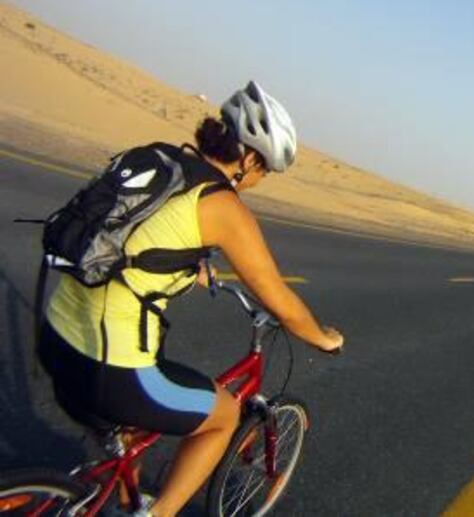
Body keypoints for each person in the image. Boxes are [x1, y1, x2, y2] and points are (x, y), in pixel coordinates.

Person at [37, 80, 344, 517]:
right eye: (265, 171)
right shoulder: (222, 206)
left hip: (55, 338)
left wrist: (186, 267)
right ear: (250, 158)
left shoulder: (160, 159)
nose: (259, 181)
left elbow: (128, 235)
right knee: (223, 418)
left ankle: (123, 502)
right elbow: (281, 301)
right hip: (112, 369)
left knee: (128, 435)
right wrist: (323, 338)